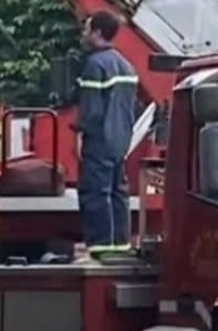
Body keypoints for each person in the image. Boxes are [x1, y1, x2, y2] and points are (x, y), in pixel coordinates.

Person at [76, 10, 138, 259]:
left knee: (96, 192)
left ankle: (100, 246)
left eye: (87, 28)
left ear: (98, 33)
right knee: (118, 191)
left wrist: (80, 134)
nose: (84, 33)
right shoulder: (126, 65)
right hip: (121, 140)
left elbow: (92, 110)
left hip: (99, 139)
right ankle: (120, 245)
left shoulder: (95, 65)